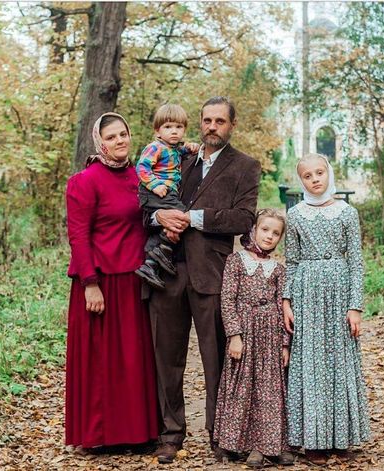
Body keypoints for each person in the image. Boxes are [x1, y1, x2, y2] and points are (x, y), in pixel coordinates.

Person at [148, 97, 262, 464]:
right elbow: (145, 202)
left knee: (218, 361)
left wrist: (193, 218)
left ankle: (221, 435)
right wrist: (158, 218)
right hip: (166, 271)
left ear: (232, 125)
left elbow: (243, 219)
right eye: (207, 120)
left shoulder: (245, 166)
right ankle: (170, 434)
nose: (212, 126)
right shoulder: (176, 158)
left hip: (212, 274)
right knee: (167, 359)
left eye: (220, 121)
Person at [64, 112, 158, 452]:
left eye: (123, 134)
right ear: (99, 142)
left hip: (134, 280)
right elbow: (78, 235)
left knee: (133, 360)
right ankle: (99, 436)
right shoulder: (85, 181)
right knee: (101, 361)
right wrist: (89, 282)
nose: (119, 141)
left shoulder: (140, 176)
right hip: (101, 282)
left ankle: (136, 433)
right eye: (111, 137)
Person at [282, 153, 371, 464]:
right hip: (306, 292)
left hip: (339, 290)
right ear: (301, 181)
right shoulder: (295, 215)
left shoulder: (347, 213)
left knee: (339, 358)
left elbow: (356, 262)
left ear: (328, 173)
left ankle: (339, 435)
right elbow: (291, 261)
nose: (315, 179)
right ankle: (313, 439)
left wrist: (355, 306)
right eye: (307, 176)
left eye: (319, 172)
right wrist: (286, 300)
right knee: (310, 360)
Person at [213, 209, 295, 468]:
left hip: (270, 336)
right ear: (254, 230)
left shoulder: (278, 269)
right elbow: (227, 300)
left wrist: (285, 344)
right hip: (245, 331)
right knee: (242, 387)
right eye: (265, 230)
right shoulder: (236, 261)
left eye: (276, 233)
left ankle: (267, 445)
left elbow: (282, 308)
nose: (269, 236)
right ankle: (240, 443)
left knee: (268, 391)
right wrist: (235, 335)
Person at [134, 103, 199, 289]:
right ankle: (160, 253)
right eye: (168, 127)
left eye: (179, 127)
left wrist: (190, 147)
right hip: (155, 192)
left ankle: (150, 265)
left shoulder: (174, 148)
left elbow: (182, 151)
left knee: (172, 223)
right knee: (182, 216)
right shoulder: (156, 147)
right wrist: (155, 185)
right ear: (158, 131)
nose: (174, 131)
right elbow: (142, 167)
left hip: (166, 192)